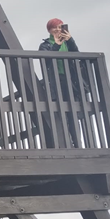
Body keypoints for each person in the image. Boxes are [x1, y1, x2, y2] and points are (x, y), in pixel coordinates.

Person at [39, 19, 88, 147]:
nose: (58, 30)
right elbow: (45, 61)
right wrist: (56, 45)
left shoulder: (67, 43)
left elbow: (77, 55)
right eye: (54, 27)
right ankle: (65, 143)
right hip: (55, 82)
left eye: (60, 27)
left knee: (73, 113)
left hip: (70, 81)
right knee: (60, 114)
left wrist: (70, 40)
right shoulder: (45, 45)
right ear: (49, 30)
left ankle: (77, 144)